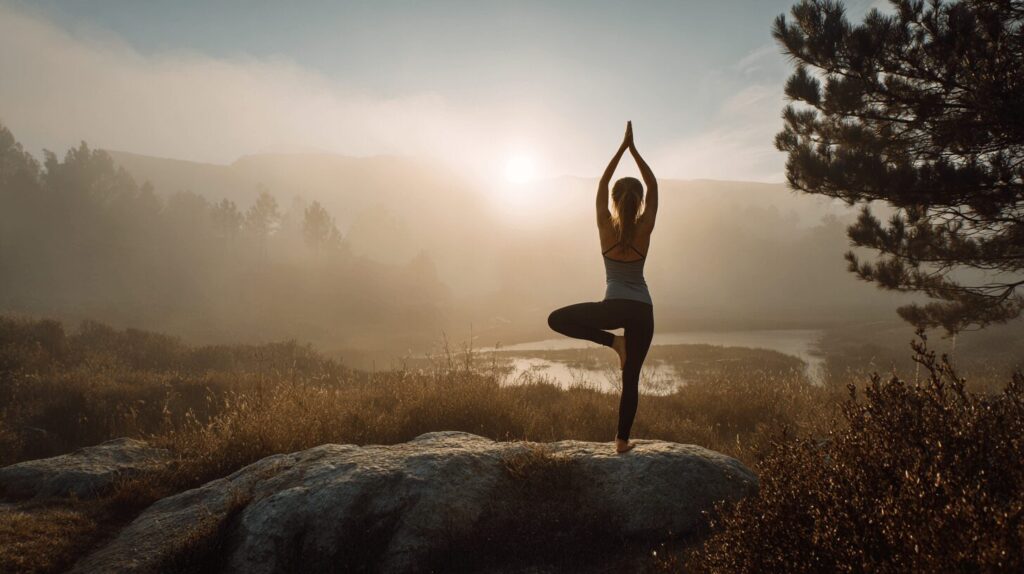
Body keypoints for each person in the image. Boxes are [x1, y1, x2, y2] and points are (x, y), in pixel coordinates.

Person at [547, 121, 657, 454]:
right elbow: (653, 185)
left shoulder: (604, 227)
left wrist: (622, 148)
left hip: (613, 308)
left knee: (556, 319)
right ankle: (622, 441)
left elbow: (602, 182)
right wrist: (635, 151)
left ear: (613, 201)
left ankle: (613, 342)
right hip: (643, 310)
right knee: (631, 379)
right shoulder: (644, 229)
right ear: (640, 202)